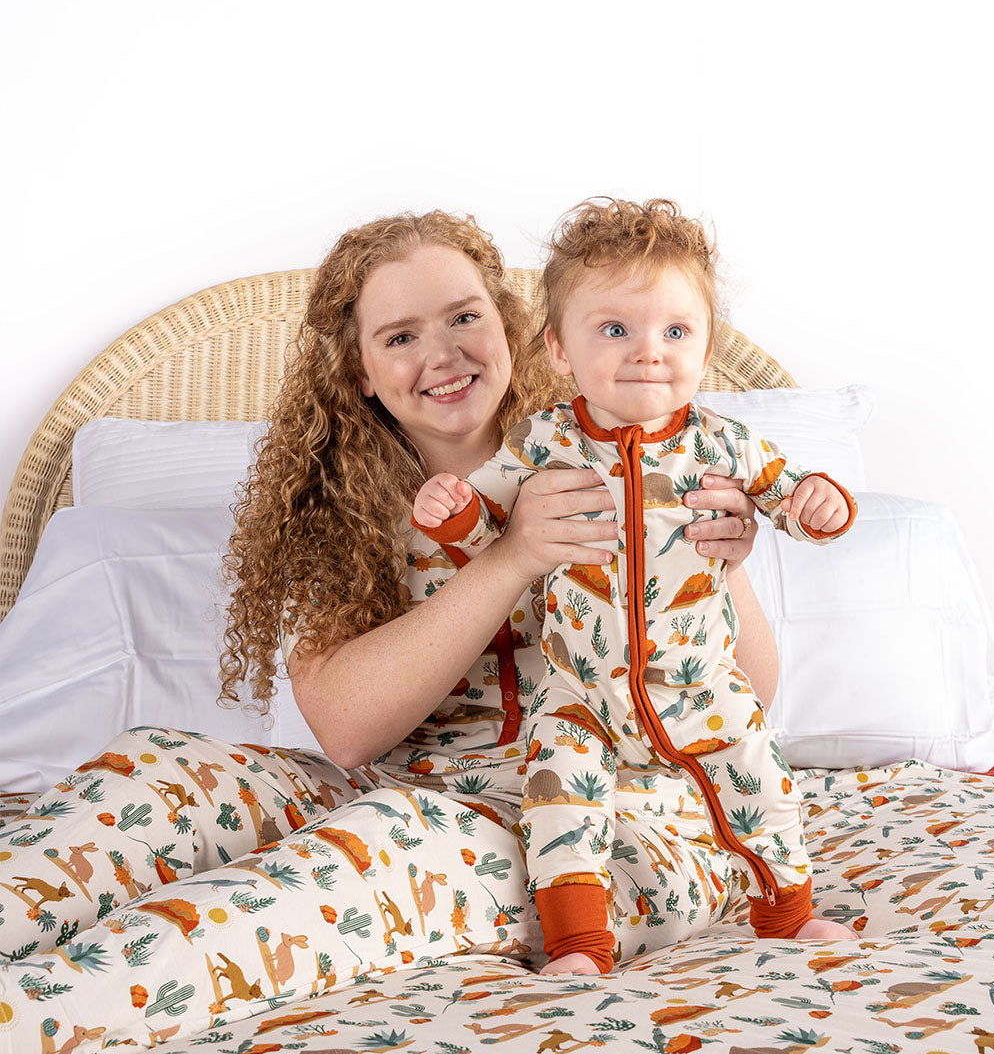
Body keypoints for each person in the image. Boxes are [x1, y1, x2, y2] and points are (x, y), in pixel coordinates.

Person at [0, 211, 776, 1046]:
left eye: (465, 317)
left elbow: (751, 696)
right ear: (362, 371)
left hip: (617, 829)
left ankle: (33, 1020)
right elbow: (345, 727)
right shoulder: (335, 505)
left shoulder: (632, 449)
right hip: (414, 786)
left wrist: (721, 561)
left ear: (519, 331)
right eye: (401, 335)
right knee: (158, 772)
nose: (442, 354)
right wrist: (511, 557)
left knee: (379, 842)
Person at [412, 198, 859, 975]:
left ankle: (788, 915)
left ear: (707, 346)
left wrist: (820, 503)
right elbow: (491, 529)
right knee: (560, 801)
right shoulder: (543, 440)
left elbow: (791, 496)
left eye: (676, 332)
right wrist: (456, 513)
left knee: (760, 784)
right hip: (580, 690)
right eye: (615, 329)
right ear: (558, 346)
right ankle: (580, 946)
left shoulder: (724, 443)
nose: (649, 352)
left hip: (700, 682)